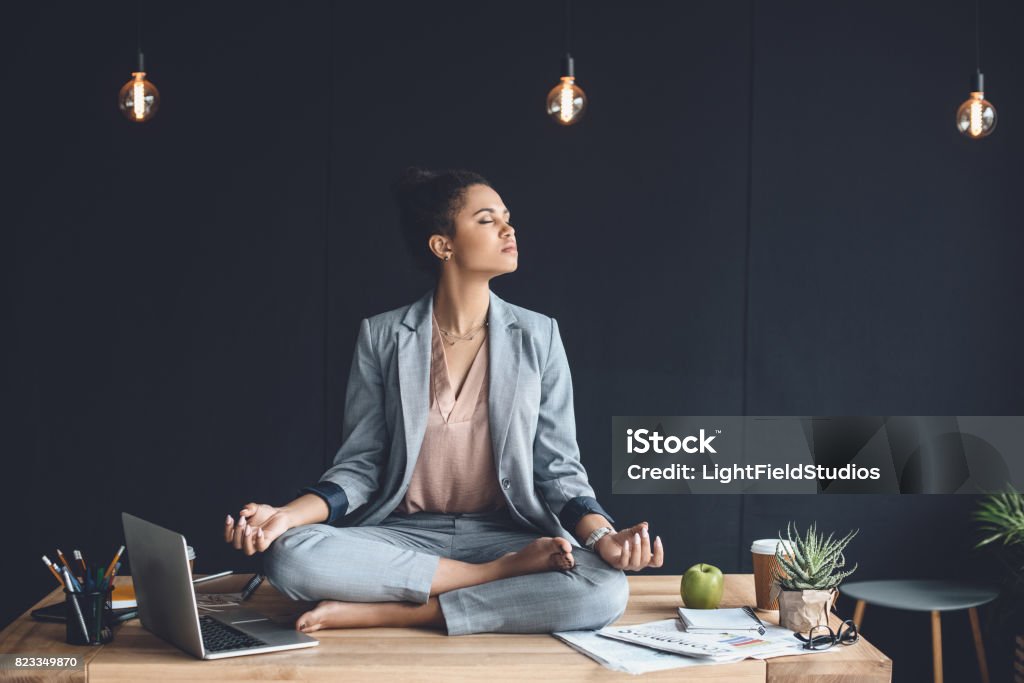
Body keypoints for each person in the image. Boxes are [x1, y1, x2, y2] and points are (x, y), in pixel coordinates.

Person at [221, 167, 665, 635]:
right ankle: (490, 579)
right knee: (289, 556)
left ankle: (400, 610)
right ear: (443, 245)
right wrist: (284, 516)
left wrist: (603, 536)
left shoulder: (540, 335)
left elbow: (558, 470)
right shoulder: (383, 336)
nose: (508, 229)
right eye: (487, 219)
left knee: (605, 587)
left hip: (506, 534)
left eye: (507, 218)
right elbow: (361, 466)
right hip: (405, 535)